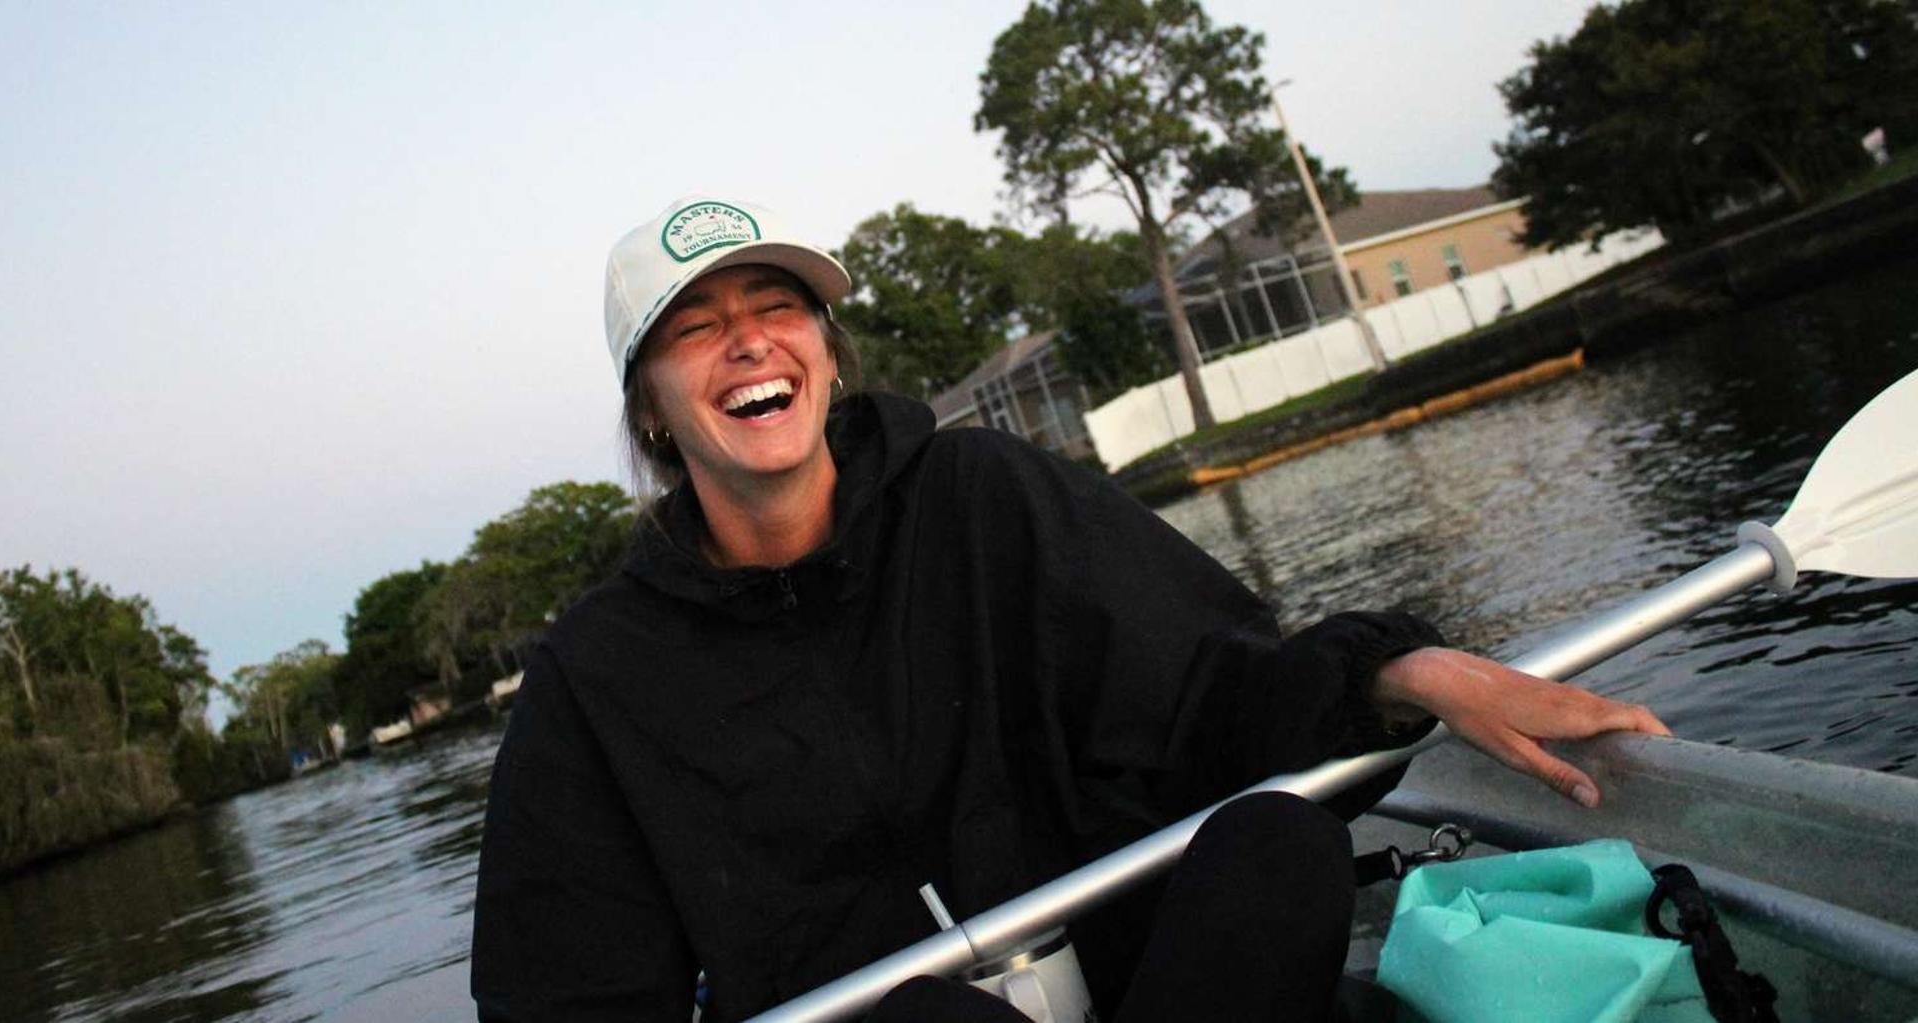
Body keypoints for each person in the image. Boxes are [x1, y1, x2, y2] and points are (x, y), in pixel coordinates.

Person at [470, 195, 1669, 1022]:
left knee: (1275, 848)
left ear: (826, 355)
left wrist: (1404, 669)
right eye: (694, 329)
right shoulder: (596, 678)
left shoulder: (986, 496)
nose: (746, 343)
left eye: (774, 307)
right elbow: (564, 990)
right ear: (651, 412)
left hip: (1138, 986)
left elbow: (1216, 688)